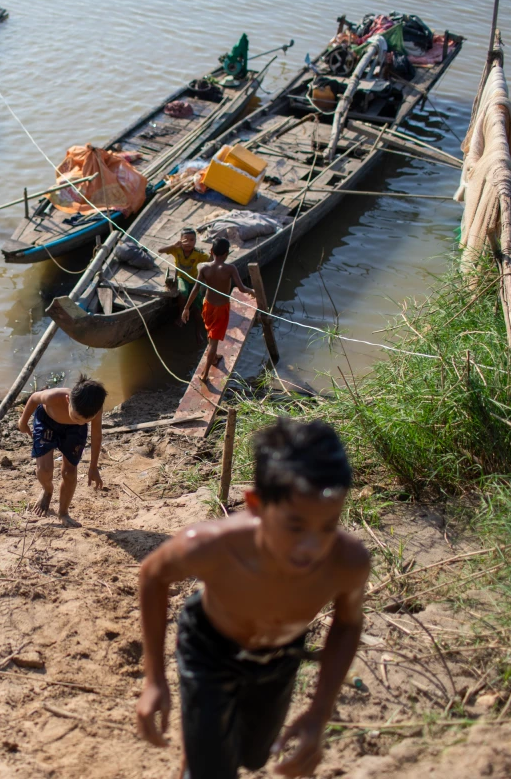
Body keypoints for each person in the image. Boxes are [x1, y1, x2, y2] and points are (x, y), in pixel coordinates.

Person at [136, 417, 368, 779]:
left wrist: (320, 712)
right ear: (256, 505)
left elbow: (349, 622)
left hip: (280, 655)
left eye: (328, 525)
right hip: (210, 649)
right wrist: (154, 679)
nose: (312, 547)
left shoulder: (347, 562)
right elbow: (152, 574)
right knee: (213, 770)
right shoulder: (212, 545)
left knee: (255, 756)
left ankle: (202, 754)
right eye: (295, 526)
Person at [17, 376, 107, 526]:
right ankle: (47, 490)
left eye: (86, 420)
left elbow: (96, 436)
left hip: (74, 432)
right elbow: (33, 398)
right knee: (44, 470)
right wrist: (23, 422)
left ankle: (63, 512)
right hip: (47, 422)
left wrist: (93, 467)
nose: (80, 421)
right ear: (68, 400)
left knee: (70, 473)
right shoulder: (54, 396)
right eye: (77, 417)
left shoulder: (94, 410)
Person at [181, 237, 253, 382]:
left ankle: (213, 357)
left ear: (211, 251)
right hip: (221, 308)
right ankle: (205, 373)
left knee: (210, 332)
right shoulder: (230, 269)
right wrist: (253, 291)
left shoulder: (203, 267)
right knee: (214, 341)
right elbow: (241, 288)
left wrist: (186, 308)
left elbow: (195, 289)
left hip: (207, 305)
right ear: (226, 254)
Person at [159, 228, 210, 334]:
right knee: (183, 292)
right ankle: (181, 315)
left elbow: (210, 260)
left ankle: (198, 331)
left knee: (198, 304)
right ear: (180, 241)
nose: (189, 243)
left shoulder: (198, 253)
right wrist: (173, 245)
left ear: (195, 242)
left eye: (192, 240)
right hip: (182, 278)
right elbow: (160, 250)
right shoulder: (176, 250)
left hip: (194, 279)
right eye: (185, 240)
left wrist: (214, 254)